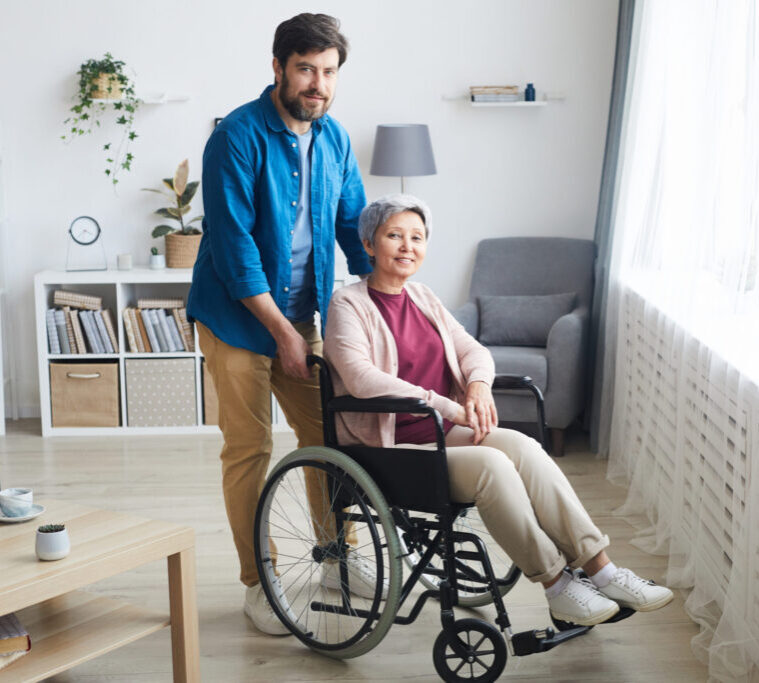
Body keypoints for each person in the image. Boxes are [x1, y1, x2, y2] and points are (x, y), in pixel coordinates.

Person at [324, 194, 675, 626]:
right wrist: (445, 405)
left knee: (523, 447)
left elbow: (472, 349)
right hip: (389, 448)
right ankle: (557, 585)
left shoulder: (423, 297)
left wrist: (477, 386)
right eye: (394, 235)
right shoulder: (348, 305)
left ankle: (603, 570)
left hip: (438, 433)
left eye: (417, 237)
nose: (406, 246)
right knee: (493, 465)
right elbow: (360, 377)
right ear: (368, 243)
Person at [186, 13, 375, 636]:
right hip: (237, 319)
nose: (317, 84)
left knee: (329, 437)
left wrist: (385, 298)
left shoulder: (336, 138)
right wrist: (283, 334)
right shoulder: (236, 137)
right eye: (305, 70)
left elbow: (353, 226)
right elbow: (236, 247)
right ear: (277, 68)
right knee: (250, 449)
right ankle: (257, 581)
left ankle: (333, 559)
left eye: (327, 72)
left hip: (302, 312)